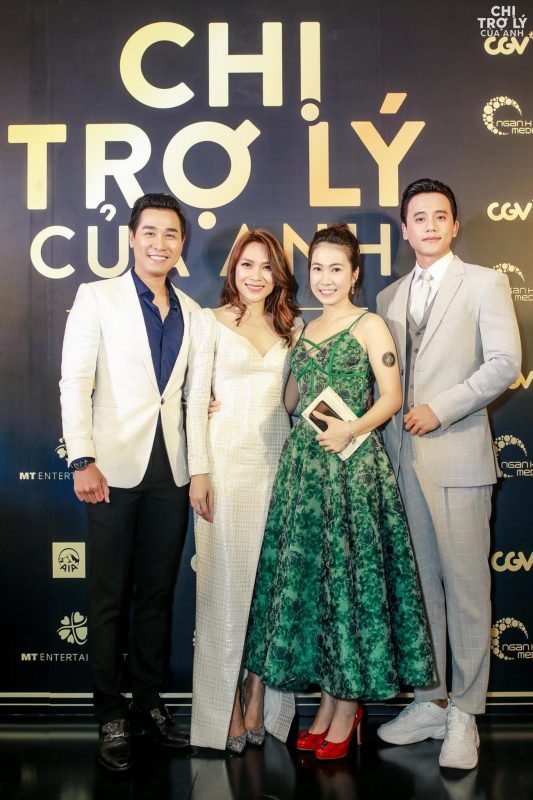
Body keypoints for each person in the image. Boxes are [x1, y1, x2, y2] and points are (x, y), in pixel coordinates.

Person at [244, 224, 434, 761]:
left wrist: (352, 428)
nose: (325, 279)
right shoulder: (303, 330)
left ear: (354, 274)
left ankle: (347, 710)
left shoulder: (371, 325)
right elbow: (288, 399)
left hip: (353, 470)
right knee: (322, 589)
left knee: (351, 585)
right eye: (317, 269)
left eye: (336, 269)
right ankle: (328, 707)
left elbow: (391, 397)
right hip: (305, 473)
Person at [375, 179, 521, 770]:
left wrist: (442, 407)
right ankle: (431, 701)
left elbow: (505, 363)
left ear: (454, 226)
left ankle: (466, 712)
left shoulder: (484, 283)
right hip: (401, 463)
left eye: (440, 216)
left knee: (465, 592)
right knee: (421, 592)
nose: (430, 225)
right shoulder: (388, 296)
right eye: (419, 217)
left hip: (458, 458)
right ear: (405, 230)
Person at [60, 193, 199, 771]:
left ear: (181, 244)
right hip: (111, 469)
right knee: (109, 594)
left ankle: (148, 702)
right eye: (150, 232)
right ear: (132, 237)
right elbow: (75, 381)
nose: (160, 243)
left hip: (172, 470)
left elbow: (189, 392)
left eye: (171, 234)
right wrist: (82, 458)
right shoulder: (97, 297)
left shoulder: (192, 310)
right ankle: (109, 712)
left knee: (158, 593)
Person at [186, 229, 299, 752]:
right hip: (224, 469)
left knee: (269, 594)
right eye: (247, 264)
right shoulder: (208, 322)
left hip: (277, 466)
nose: (256, 275)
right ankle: (224, 707)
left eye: (267, 267)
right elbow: (194, 400)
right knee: (222, 592)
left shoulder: (293, 328)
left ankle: (257, 697)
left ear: (279, 275)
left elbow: (293, 403)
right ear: (232, 269)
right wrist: (199, 472)